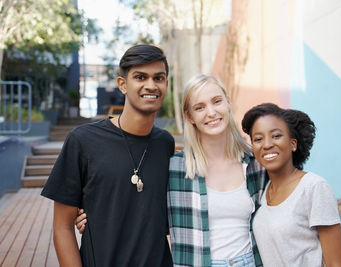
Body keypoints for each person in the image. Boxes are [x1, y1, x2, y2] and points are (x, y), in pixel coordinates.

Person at [41, 44, 175, 266]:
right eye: (140, 77)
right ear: (122, 84)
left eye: (158, 78)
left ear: (166, 84)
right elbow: (62, 226)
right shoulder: (82, 140)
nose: (151, 85)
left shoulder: (165, 144)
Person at [167, 74, 268, 267]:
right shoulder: (175, 168)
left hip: (249, 262)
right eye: (200, 107)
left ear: (228, 103)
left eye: (217, 101)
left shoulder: (255, 164)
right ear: (190, 116)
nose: (211, 112)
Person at [241, 103, 341, 267]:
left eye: (276, 136)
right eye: (258, 139)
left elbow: (335, 263)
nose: (267, 144)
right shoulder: (264, 191)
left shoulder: (314, 187)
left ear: (293, 144)